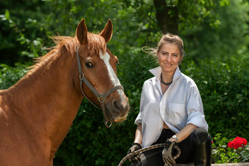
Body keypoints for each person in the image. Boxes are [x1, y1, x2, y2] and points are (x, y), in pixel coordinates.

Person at [127, 34, 212, 166]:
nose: (168, 59)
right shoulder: (147, 85)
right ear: (158, 54)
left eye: (174, 55)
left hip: (180, 142)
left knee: (202, 135)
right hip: (154, 145)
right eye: (164, 53)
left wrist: (173, 140)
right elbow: (142, 121)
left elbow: (196, 121)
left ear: (180, 58)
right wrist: (137, 143)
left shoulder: (188, 85)